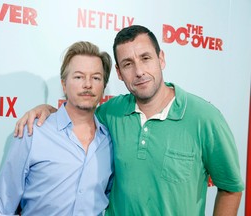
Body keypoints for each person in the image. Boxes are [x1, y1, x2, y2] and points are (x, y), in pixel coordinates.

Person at [14, 25, 244, 215]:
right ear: (119, 72)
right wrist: (46, 109)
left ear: (161, 58)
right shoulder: (110, 113)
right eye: (128, 64)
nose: (139, 71)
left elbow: (230, 189)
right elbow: (78, 114)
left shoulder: (205, 118)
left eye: (145, 58)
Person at [0, 41, 114, 215]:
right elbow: (1, 206)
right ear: (64, 84)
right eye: (78, 77)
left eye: (96, 78)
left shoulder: (109, 140)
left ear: (103, 87)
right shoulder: (33, 131)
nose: (87, 84)